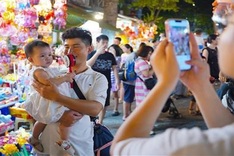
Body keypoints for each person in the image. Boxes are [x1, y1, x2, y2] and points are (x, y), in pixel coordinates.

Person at [111, 26, 234, 155]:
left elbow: (122, 146)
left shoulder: (184, 146)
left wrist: (165, 82)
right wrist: (200, 85)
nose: (220, 35)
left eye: (227, 23)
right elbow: (226, 129)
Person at [31, 27, 108, 156]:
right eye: (66, 47)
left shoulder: (97, 78)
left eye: (76, 46)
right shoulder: (53, 75)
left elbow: (95, 109)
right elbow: (38, 105)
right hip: (48, 143)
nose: (70, 51)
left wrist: (57, 97)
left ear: (89, 49)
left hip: (79, 144)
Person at [24, 40, 77, 155]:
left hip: (51, 101)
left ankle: (34, 138)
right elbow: (49, 83)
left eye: (49, 54)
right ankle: (64, 141)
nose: (48, 58)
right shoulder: (38, 71)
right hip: (48, 102)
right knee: (67, 119)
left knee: (43, 121)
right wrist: (65, 78)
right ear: (31, 60)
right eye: (42, 56)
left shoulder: (47, 69)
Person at [87, 34, 119, 124]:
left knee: (104, 103)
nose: (105, 44)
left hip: (106, 83)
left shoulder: (110, 55)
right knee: (92, 101)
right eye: (103, 42)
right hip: (92, 83)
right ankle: (91, 120)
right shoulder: (91, 54)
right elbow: (88, 65)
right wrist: (97, 53)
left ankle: (100, 122)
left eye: (106, 42)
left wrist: (117, 81)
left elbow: (114, 68)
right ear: (97, 42)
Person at [108, 44, 122, 116]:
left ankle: (115, 109)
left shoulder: (118, 58)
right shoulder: (109, 57)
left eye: (112, 49)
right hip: (109, 76)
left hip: (114, 77)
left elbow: (116, 67)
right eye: (109, 49)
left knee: (115, 94)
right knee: (112, 94)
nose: (110, 51)